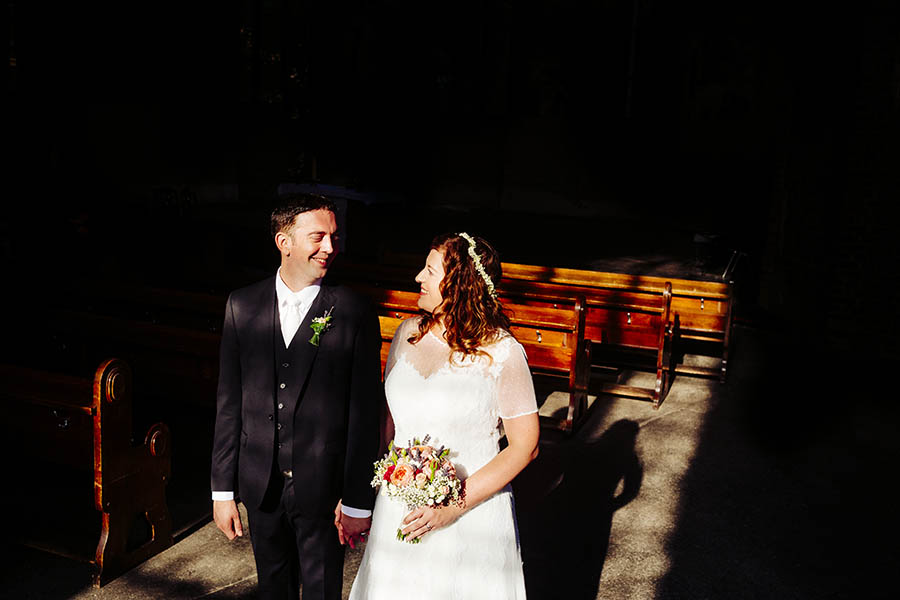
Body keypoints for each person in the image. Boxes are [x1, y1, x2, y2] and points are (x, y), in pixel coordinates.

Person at [348, 232, 540, 599]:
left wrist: (453, 506)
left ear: (460, 284)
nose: (418, 277)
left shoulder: (503, 352)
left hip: (469, 516)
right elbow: (387, 424)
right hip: (398, 508)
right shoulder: (407, 333)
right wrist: (360, 496)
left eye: (430, 271)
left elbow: (525, 447)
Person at [211, 194, 382, 600]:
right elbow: (229, 404)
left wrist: (358, 502)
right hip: (261, 485)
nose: (330, 248)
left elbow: (364, 414)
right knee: (272, 589)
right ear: (284, 242)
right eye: (318, 237)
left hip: (323, 488)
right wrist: (222, 491)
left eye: (333, 238)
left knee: (323, 592)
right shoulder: (242, 305)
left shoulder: (354, 311)